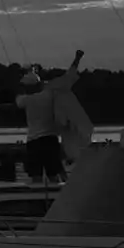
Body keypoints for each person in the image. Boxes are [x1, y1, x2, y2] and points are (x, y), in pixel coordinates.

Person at [16, 50, 84, 184]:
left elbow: (18, 97)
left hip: (33, 142)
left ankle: (37, 199)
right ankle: (58, 197)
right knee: (54, 175)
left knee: (36, 177)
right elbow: (68, 78)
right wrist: (77, 59)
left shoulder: (24, 100)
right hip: (50, 141)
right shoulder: (49, 95)